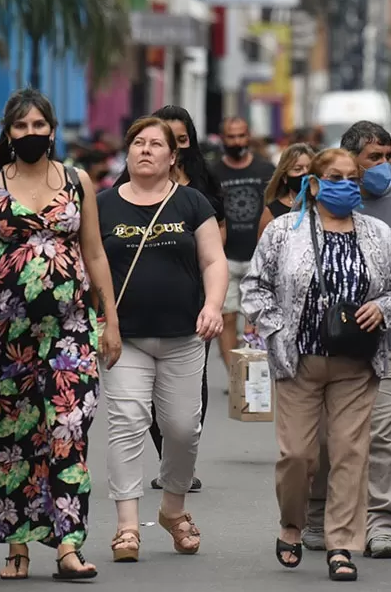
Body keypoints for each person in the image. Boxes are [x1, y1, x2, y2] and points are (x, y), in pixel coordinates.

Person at [0, 89, 122, 581]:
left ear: (52, 129)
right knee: (13, 435)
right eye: (21, 127)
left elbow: (94, 254)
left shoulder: (78, 181)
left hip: (68, 334)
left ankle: (68, 545)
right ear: (8, 133)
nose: (31, 134)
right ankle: (18, 547)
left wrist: (109, 320)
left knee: (68, 431)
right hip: (3, 338)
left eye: (39, 126)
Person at [240, 148, 391, 582]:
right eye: (336, 177)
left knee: (351, 455)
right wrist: (278, 332)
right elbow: (254, 290)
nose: (347, 185)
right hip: (299, 363)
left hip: (357, 364)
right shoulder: (283, 231)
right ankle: (292, 524)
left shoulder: (377, 233)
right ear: (313, 184)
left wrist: (383, 309)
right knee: (297, 455)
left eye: (353, 177)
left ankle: (342, 545)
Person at [303, 122, 391, 558]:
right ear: (347, 160)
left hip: (385, 344)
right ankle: (315, 514)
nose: (384, 166)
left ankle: (381, 524)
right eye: (374, 158)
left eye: (388, 157)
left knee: (385, 436)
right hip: (323, 346)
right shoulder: (311, 208)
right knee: (324, 439)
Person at [97, 116, 228, 563]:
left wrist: (212, 305)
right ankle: (127, 527)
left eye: (157, 144)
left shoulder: (191, 203)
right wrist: (99, 318)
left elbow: (213, 261)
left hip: (184, 336)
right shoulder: (102, 206)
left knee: (181, 429)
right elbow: (89, 269)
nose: (146, 149)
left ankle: (173, 510)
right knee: (127, 424)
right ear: (127, 153)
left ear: (174, 157)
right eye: (138, 142)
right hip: (124, 338)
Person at [141, 105, 226, 493]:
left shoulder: (204, 182)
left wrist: (211, 276)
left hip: (196, 292)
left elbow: (218, 234)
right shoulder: (136, 180)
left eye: (178, 138)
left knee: (192, 384)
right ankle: (166, 458)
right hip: (148, 296)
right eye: (161, 138)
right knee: (147, 389)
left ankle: (182, 461)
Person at [212, 117, 276, 370]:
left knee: (256, 318)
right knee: (226, 317)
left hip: (258, 257)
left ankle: (255, 370)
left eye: (241, 135)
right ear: (222, 138)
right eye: (231, 136)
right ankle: (234, 375)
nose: (237, 141)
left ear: (248, 136)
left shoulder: (265, 170)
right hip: (224, 257)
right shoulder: (214, 173)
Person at [258, 142, 316, 239]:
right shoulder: (272, 211)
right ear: (285, 177)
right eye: (298, 169)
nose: (305, 173)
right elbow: (262, 250)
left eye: (310, 168)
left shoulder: (323, 205)